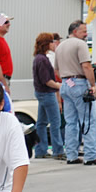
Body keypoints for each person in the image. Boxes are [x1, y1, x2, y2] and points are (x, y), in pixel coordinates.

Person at [54, 20, 96, 166]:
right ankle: (90, 156)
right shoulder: (80, 44)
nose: (86, 34)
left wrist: (67, 78)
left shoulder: (60, 47)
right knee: (89, 121)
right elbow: (86, 66)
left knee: (71, 122)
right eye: (84, 31)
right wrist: (93, 84)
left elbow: (56, 70)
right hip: (79, 83)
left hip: (66, 83)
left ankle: (71, 155)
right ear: (75, 31)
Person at [32, 32, 63, 160]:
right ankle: (58, 151)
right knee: (56, 122)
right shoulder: (43, 60)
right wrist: (60, 86)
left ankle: (40, 150)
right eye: (51, 41)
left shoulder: (38, 58)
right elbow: (47, 80)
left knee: (41, 122)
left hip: (40, 93)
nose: (53, 43)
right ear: (46, 44)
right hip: (47, 93)